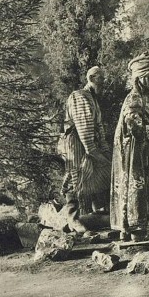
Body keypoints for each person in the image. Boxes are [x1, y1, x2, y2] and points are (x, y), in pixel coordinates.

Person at [110, 52, 149, 240]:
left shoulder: (139, 97)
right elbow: (133, 123)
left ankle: (127, 228)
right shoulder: (135, 98)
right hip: (131, 148)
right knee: (134, 184)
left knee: (130, 184)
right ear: (143, 79)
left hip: (133, 147)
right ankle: (135, 229)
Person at [59, 66, 112, 215]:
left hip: (88, 145)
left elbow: (98, 127)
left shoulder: (92, 98)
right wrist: (93, 152)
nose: (103, 83)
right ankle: (77, 218)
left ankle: (95, 216)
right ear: (91, 78)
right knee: (79, 180)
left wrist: (105, 150)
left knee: (95, 179)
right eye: (100, 79)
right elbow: (84, 129)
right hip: (77, 145)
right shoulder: (80, 96)